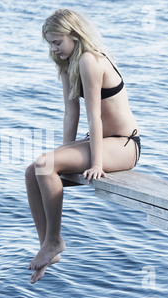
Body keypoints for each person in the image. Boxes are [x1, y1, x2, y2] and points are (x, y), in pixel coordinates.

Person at [25, 9, 141, 284]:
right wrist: (63, 157)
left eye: (57, 42)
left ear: (75, 36)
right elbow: (71, 113)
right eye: (50, 43)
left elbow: (94, 116)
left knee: (45, 163)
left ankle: (54, 241)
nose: (53, 48)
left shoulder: (90, 60)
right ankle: (48, 246)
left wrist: (96, 164)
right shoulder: (67, 63)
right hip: (99, 140)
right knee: (35, 170)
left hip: (124, 144)